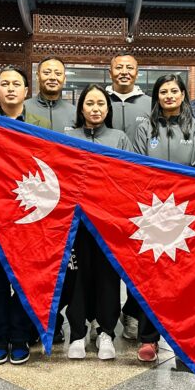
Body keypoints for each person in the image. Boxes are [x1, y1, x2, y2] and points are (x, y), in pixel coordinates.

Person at [132, 74, 195, 362]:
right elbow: (138, 168)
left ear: (183, 95)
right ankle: (148, 338)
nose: (169, 96)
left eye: (174, 91)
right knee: (151, 280)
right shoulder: (145, 128)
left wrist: (179, 202)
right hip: (151, 216)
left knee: (183, 281)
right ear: (157, 96)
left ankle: (182, 340)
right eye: (163, 91)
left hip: (184, 216)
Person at [0, 66, 49, 365]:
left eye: (16, 84)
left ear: (26, 91)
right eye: (4, 83)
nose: (10, 89)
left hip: (28, 218)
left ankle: (19, 337)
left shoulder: (40, 124)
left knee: (24, 282)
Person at [64, 84, 133, 361]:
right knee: (77, 277)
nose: (95, 109)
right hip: (77, 223)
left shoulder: (119, 138)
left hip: (109, 223)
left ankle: (106, 332)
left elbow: (130, 177)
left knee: (108, 278)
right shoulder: (68, 137)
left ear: (108, 108)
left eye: (101, 104)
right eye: (90, 103)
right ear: (81, 108)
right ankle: (77, 333)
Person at [104, 51, 151, 340]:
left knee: (139, 258)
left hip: (138, 193)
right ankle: (103, 317)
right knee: (106, 258)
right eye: (118, 67)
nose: (124, 71)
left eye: (129, 67)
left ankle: (132, 312)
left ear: (137, 72)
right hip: (104, 192)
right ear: (110, 72)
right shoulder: (99, 99)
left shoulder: (150, 103)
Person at [24, 56, 75, 133]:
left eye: (58, 74)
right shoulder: (23, 109)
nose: (52, 77)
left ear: (64, 79)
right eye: (47, 73)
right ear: (37, 76)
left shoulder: (74, 113)